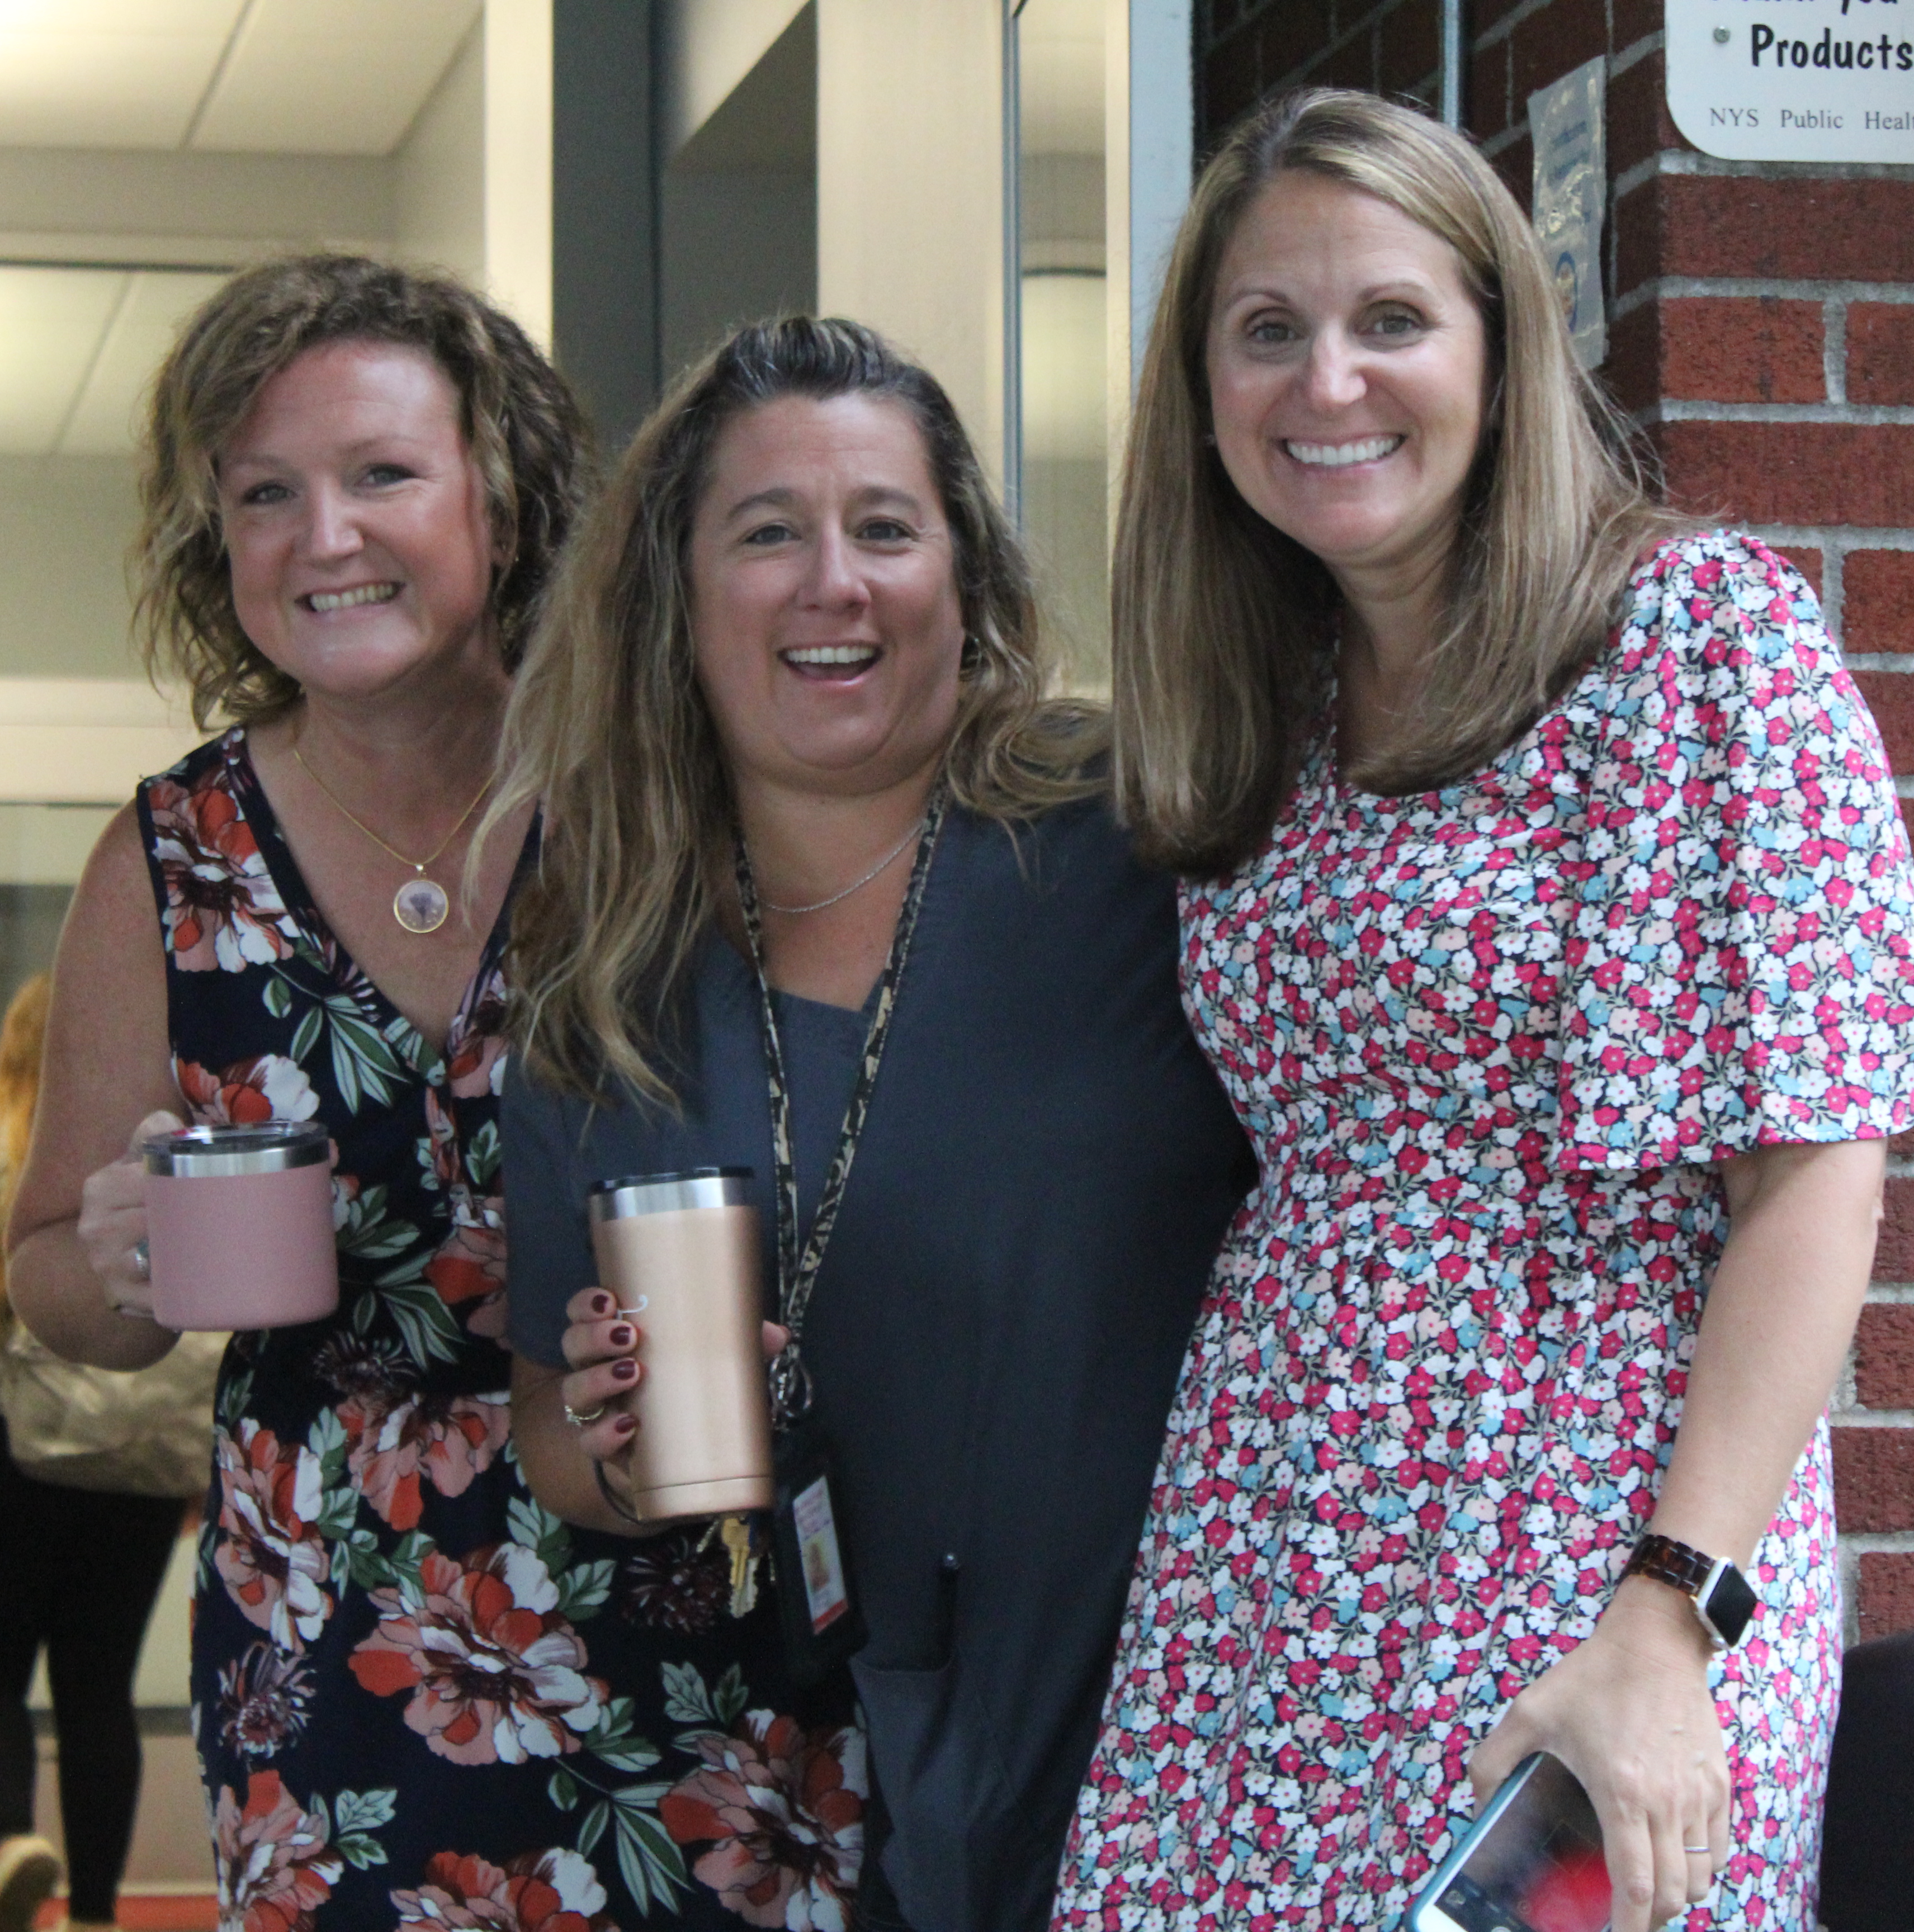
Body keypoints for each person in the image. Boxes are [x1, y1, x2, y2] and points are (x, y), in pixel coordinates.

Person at [1050, 88, 1914, 1932]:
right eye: (1266, 331)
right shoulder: (1270, 715)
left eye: (1390, 319)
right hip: (1272, 1547)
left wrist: (1665, 1613)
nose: (1328, 384)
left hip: (1597, 1539)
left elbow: (1815, 1175)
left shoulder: (1698, 640)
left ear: (1494, 343)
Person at [8, 253, 774, 1930]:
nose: (325, 537)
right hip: (330, 1635)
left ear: (501, 501)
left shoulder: (663, 800)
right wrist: (125, 1257)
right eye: (266, 494)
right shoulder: (171, 859)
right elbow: (52, 1270)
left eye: (381, 476)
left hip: (693, 1584)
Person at [499, 316, 1256, 1932]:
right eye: (768, 533)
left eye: (886, 528)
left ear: (964, 579)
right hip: (838, 1777)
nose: (832, 582)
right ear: (676, 603)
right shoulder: (607, 975)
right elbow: (552, 1426)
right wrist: (626, 1456)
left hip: (1201, 1721)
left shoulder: (1148, 846)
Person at [0, 973, 206, 1932]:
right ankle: (95, 1914)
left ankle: (12, 1840)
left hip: (4, 1451)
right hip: (135, 1449)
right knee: (98, 1689)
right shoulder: (152, 1158)